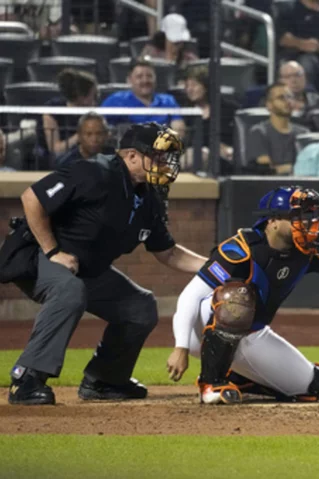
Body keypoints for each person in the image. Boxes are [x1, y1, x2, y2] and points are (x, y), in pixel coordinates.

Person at [2, 123, 208, 406]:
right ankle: (26, 379)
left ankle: (104, 380)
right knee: (70, 291)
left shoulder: (150, 195)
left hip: (86, 268)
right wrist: (53, 252)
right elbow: (32, 198)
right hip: (37, 255)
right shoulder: (94, 172)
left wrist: (216, 266)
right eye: (158, 156)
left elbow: (168, 253)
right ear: (132, 156)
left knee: (140, 306)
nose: (164, 164)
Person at [166, 186, 319, 404]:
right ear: (272, 221)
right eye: (297, 217)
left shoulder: (309, 248)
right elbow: (190, 296)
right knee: (237, 297)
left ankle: (239, 376)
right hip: (205, 330)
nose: (307, 223)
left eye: (309, 216)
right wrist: (181, 347)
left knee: (315, 386)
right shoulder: (241, 249)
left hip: (253, 333)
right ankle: (211, 383)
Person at [101, 58, 186, 138]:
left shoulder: (168, 101)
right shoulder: (116, 100)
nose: (145, 81)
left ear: (155, 79)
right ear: (129, 80)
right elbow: (98, 123)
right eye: (139, 77)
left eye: (149, 76)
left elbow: (178, 129)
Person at [247, 83, 310, 175]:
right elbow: (267, 170)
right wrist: (295, 168)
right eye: (281, 98)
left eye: (290, 97)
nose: (288, 101)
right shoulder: (259, 132)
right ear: (269, 105)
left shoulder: (304, 133)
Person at [183, 66, 236, 173]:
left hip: (224, 158)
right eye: (187, 86)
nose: (189, 89)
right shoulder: (185, 112)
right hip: (193, 157)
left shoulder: (230, 109)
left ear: (206, 86)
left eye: (194, 85)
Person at [40, 69, 98, 161]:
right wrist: (80, 136)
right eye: (92, 95)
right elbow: (56, 150)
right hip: (61, 160)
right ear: (81, 96)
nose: (95, 99)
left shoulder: (94, 112)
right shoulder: (52, 110)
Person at [276, 0, 319, 95]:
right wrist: (302, 44)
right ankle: (304, 100)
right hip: (298, 56)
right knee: (306, 64)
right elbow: (282, 38)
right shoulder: (289, 8)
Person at [278, 61, 319, 129]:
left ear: (305, 78)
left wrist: (303, 108)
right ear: (281, 81)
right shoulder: (272, 101)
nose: (294, 80)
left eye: (297, 75)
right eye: (288, 77)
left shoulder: (317, 101)